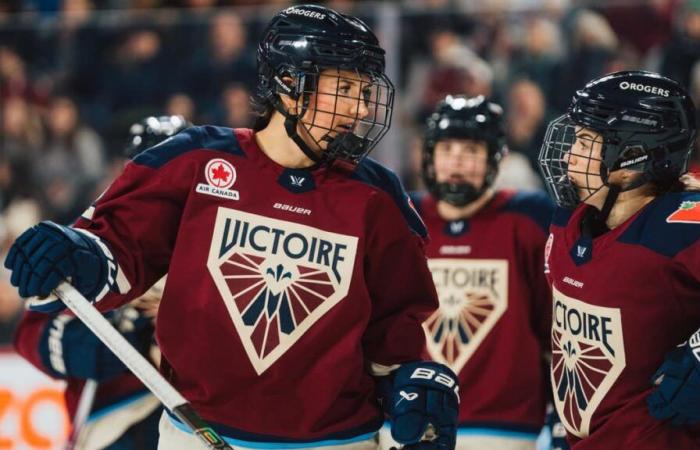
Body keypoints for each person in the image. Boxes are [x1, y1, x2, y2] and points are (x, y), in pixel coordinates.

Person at [4, 5, 459, 450]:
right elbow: (116, 251)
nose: (358, 110)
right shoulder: (196, 162)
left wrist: (411, 384)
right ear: (288, 85)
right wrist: (72, 253)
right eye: (344, 89)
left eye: (363, 93)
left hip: (336, 440)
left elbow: (395, 330)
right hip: (198, 434)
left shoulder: (378, 197)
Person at [379, 95, 554, 450]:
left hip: (507, 425)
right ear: (428, 156)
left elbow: (555, 326)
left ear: (495, 159)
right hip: (408, 420)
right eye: (446, 150)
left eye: (471, 151)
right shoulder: (400, 217)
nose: (457, 162)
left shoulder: (530, 218)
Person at [538, 70, 700, 449]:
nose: (568, 155)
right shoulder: (568, 222)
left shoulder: (682, 225)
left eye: (584, 142)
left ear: (632, 157)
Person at [11, 115, 190, 450]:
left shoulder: (221, 235)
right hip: (113, 422)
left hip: (195, 422)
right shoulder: (91, 238)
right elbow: (30, 331)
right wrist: (83, 348)